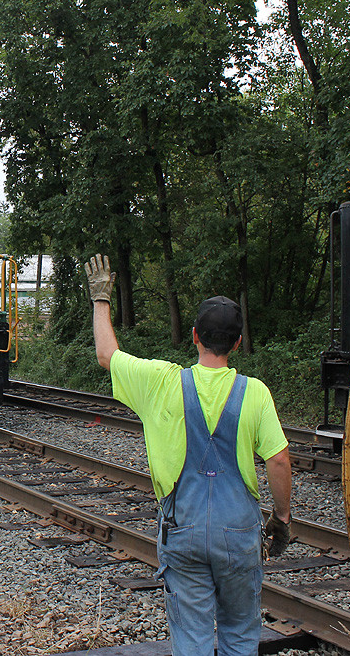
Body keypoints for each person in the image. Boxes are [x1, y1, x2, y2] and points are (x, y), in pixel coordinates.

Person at [84, 254, 292, 656]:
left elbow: (107, 355)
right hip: (239, 535)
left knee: (192, 637)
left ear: (194, 335)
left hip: (182, 531)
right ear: (237, 343)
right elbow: (279, 460)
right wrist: (281, 518)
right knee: (239, 633)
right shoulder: (255, 393)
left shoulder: (160, 382)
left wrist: (101, 298)